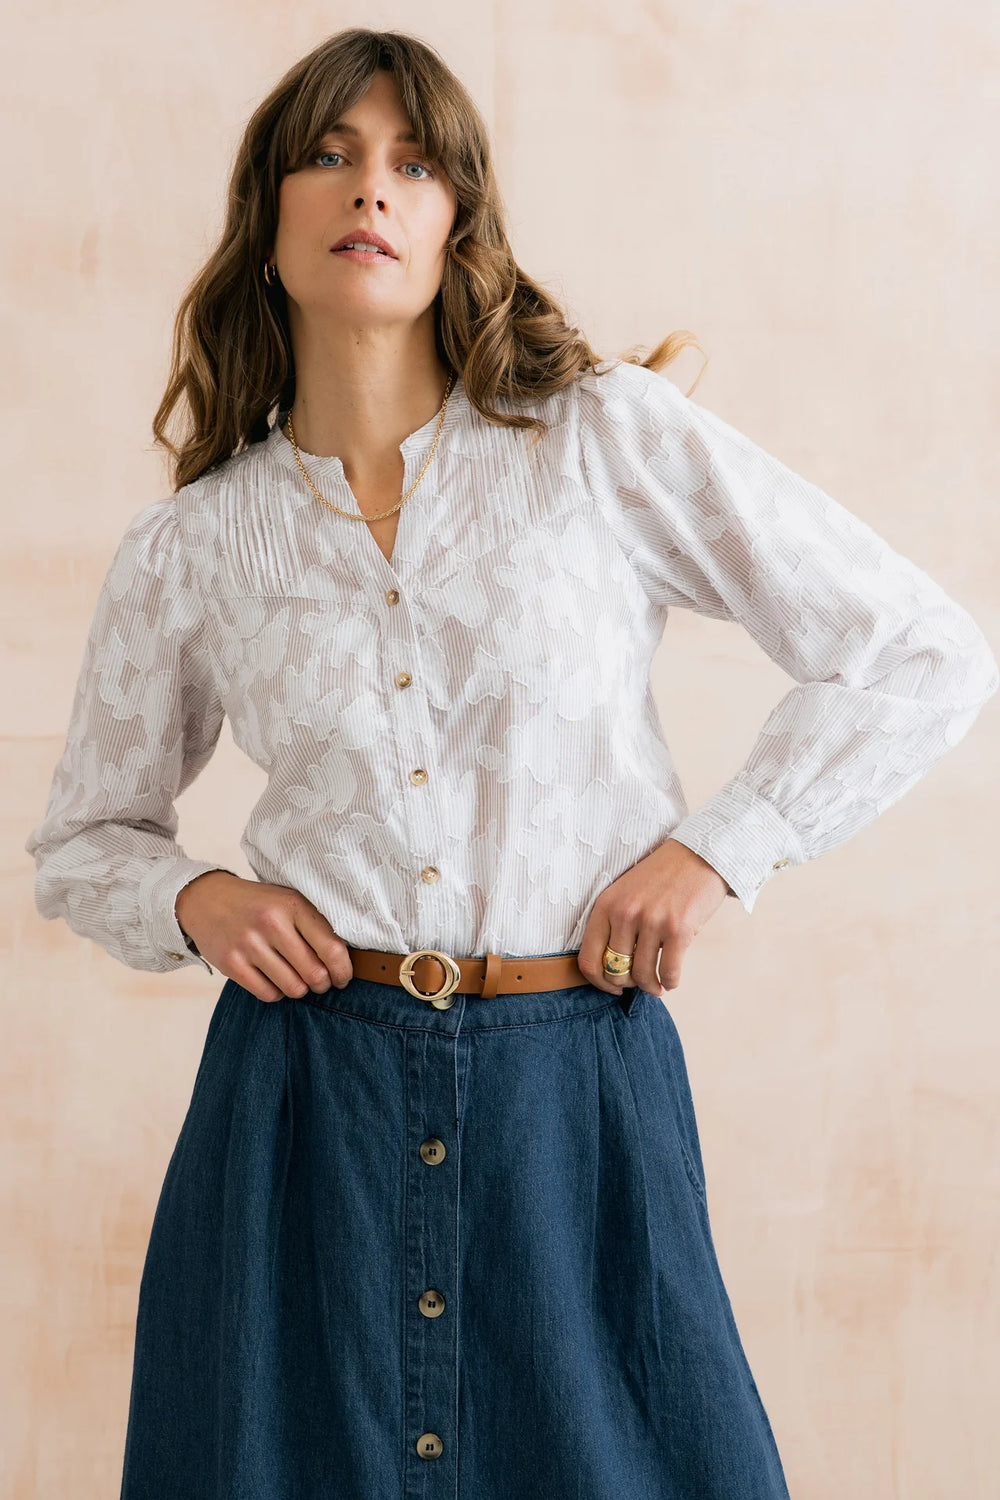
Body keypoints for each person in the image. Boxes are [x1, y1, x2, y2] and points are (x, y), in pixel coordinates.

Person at [24, 26, 997, 1500]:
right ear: (266, 216)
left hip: (573, 1096)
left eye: (415, 165)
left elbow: (919, 651)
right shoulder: (194, 543)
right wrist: (195, 900)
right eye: (331, 155)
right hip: (302, 1115)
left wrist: (720, 845)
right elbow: (86, 841)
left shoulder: (597, 441)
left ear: (457, 222)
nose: (373, 189)